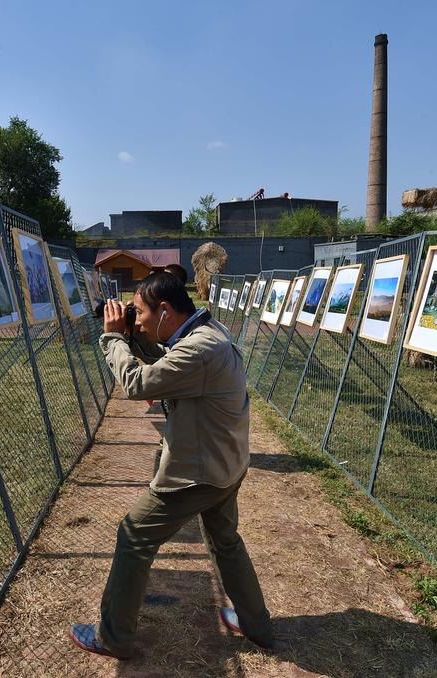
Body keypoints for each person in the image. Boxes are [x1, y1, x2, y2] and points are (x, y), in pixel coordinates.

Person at [69, 272, 273, 659]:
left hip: (197, 473)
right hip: (226, 465)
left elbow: (139, 384)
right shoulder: (208, 333)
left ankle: (112, 637)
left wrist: (113, 338)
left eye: (141, 312)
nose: (139, 320)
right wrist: (135, 336)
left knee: (133, 537)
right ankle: (255, 624)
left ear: (165, 310)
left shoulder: (199, 351)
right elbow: (168, 365)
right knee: (226, 543)